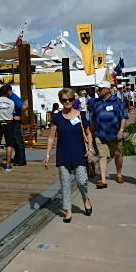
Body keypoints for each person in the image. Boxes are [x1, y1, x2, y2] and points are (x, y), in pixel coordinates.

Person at [44, 88, 94, 222]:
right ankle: (68, 210)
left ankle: (85, 198)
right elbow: (51, 137)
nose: (67, 102)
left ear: (73, 100)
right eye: (64, 100)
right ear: (60, 101)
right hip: (63, 154)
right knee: (65, 183)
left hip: (80, 153)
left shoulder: (80, 115)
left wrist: (90, 150)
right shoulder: (57, 117)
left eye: (70, 99)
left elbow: (88, 133)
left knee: (82, 181)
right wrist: (47, 155)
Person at [90, 81, 128, 188]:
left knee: (117, 155)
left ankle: (119, 174)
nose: (98, 91)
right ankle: (103, 180)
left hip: (115, 134)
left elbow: (124, 117)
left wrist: (121, 130)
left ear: (107, 89)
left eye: (101, 89)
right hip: (100, 134)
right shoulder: (96, 102)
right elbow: (93, 118)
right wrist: (91, 132)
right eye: (98, 89)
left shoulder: (117, 101)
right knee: (102, 155)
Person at [0, 85, 15, 171]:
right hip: (8, 123)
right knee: (9, 144)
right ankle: (8, 165)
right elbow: (12, 113)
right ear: (8, 92)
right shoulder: (11, 102)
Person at [5, 85, 27, 166]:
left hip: (15, 121)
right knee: (15, 141)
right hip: (13, 121)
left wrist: (19, 116)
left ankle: (21, 160)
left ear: (8, 91)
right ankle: (17, 159)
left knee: (18, 141)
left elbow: (24, 107)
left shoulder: (13, 97)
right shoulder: (11, 97)